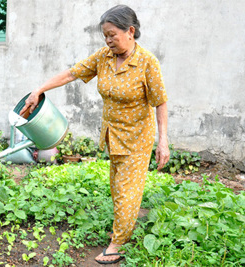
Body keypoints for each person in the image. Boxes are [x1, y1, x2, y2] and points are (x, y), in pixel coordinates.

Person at [19, 5, 170, 265]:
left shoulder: (147, 62)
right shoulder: (104, 57)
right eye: (105, 36)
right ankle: (125, 224)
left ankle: (118, 244)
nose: (108, 40)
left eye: (112, 35)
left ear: (130, 31)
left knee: (127, 191)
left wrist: (163, 141)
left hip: (137, 139)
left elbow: (160, 102)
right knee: (117, 189)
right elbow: (71, 73)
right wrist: (39, 89)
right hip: (113, 136)